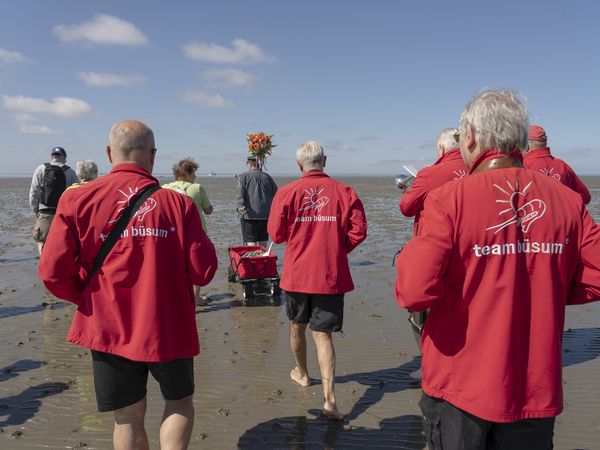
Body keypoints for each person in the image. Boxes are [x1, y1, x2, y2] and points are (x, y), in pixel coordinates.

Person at [395, 90, 600, 449]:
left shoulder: (448, 200)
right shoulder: (568, 201)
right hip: (533, 386)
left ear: (471, 137)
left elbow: (413, 291)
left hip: (461, 384)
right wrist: (544, 285)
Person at [38, 120, 218, 450]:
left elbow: (52, 271)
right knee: (178, 403)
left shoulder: (77, 199)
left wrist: (88, 297)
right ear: (152, 155)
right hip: (168, 323)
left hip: (108, 324)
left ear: (109, 153)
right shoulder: (179, 204)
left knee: (127, 416)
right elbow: (204, 270)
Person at [268, 141, 367, 420]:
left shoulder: (287, 192)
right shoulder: (345, 191)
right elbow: (358, 231)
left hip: (298, 273)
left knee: (297, 328)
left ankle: (302, 373)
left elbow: (276, 234)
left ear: (299, 165)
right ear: (324, 161)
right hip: (328, 274)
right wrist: (336, 250)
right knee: (322, 336)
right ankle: (330, 400)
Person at [399, 128, 468, 236]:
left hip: (437, 240)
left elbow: (406, 208)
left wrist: (421, 179)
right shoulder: (479, 169)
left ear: (442, 147)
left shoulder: (429, 174)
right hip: (472, 242)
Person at [163, 157, 214, 303]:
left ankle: (177, 294)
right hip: (195, 233)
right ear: (187, 173)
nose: (195, 176)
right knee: (196, 264)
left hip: (171, 233)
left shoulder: (165, 188)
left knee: (175, 264)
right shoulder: (197, 188)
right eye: (194, 173)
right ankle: (196, 297)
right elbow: (208, 210)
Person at [523, 125, 591, 204]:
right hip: (563, 215)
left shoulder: (522, 165)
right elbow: (584, 197)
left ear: (526, 145)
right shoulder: (562, 165)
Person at [29, 147, 79, 254]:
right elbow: (77, 195)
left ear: (52, 157)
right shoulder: (70, 172)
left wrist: (36, 212)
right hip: (62, 213)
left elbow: (34, 193)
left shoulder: (40, 169)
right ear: (64, 158)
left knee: (41, 240)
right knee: (62, 243)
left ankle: (44, 264)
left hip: (45, 212)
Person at [236, 155, 278, 247]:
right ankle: (263, 260)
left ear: (250, 164)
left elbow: (240, 194)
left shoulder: (244, 176)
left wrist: (240, 207)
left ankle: (253, 260)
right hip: (265, 215)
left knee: (251, 241)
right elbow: (276, 194)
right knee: (263, 241)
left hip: (249, 216)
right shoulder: (268, 177)